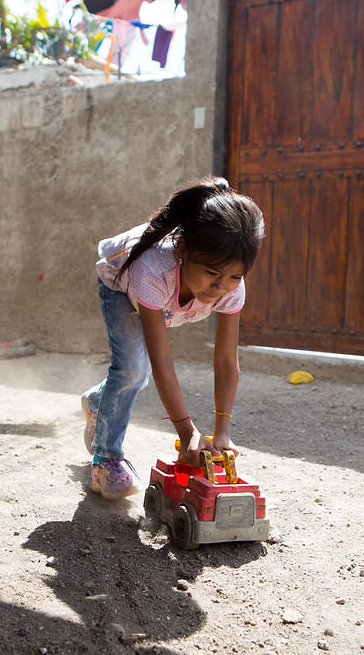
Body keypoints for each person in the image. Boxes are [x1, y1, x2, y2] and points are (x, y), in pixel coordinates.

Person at [80, 177, 265, 499]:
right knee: (133, 370)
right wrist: (187, 431)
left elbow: (225, 360)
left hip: (162, 295)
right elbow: (161, 358)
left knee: (131, 375)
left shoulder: (230, 288)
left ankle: (100, 403)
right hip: (119, 284)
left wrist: (221, 431)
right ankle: (105, 459)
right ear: (182, 251)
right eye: (211, 273)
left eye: (235, 276)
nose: (221, 286)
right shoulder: (152, 271)